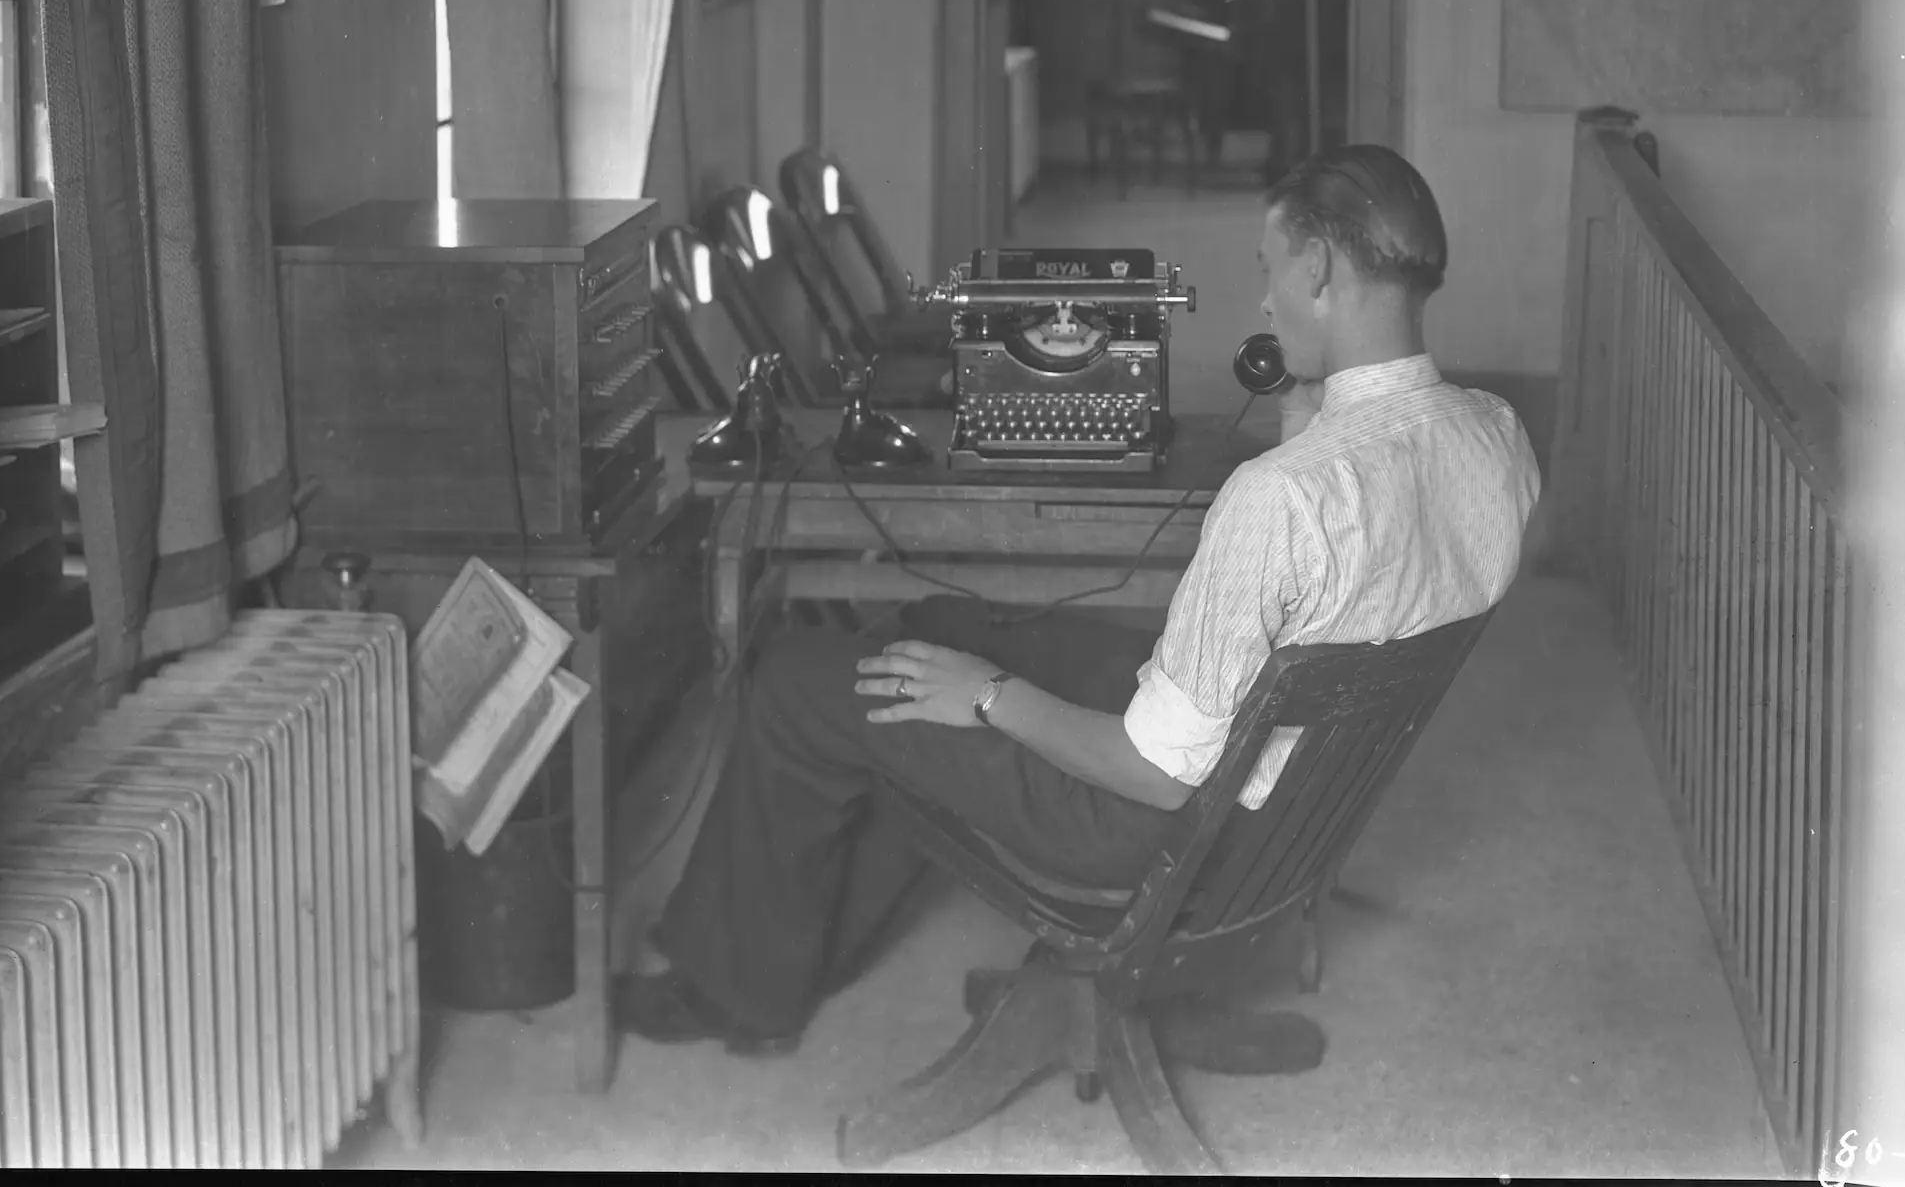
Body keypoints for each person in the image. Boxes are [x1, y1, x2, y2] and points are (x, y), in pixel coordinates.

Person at [619, 144, 1543, 1054]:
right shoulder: (1499, 438)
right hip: (1287, 810)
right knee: (933, 626)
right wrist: (1314, 414)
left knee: (796, 677)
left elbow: (1153, 773)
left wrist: (986, 694)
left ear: (1319, 267)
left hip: (1161, 824)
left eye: (1270, 272)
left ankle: (741, 993)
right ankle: (801, 930)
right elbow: (1372, 587)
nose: (1263, 301)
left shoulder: (1283, 495)